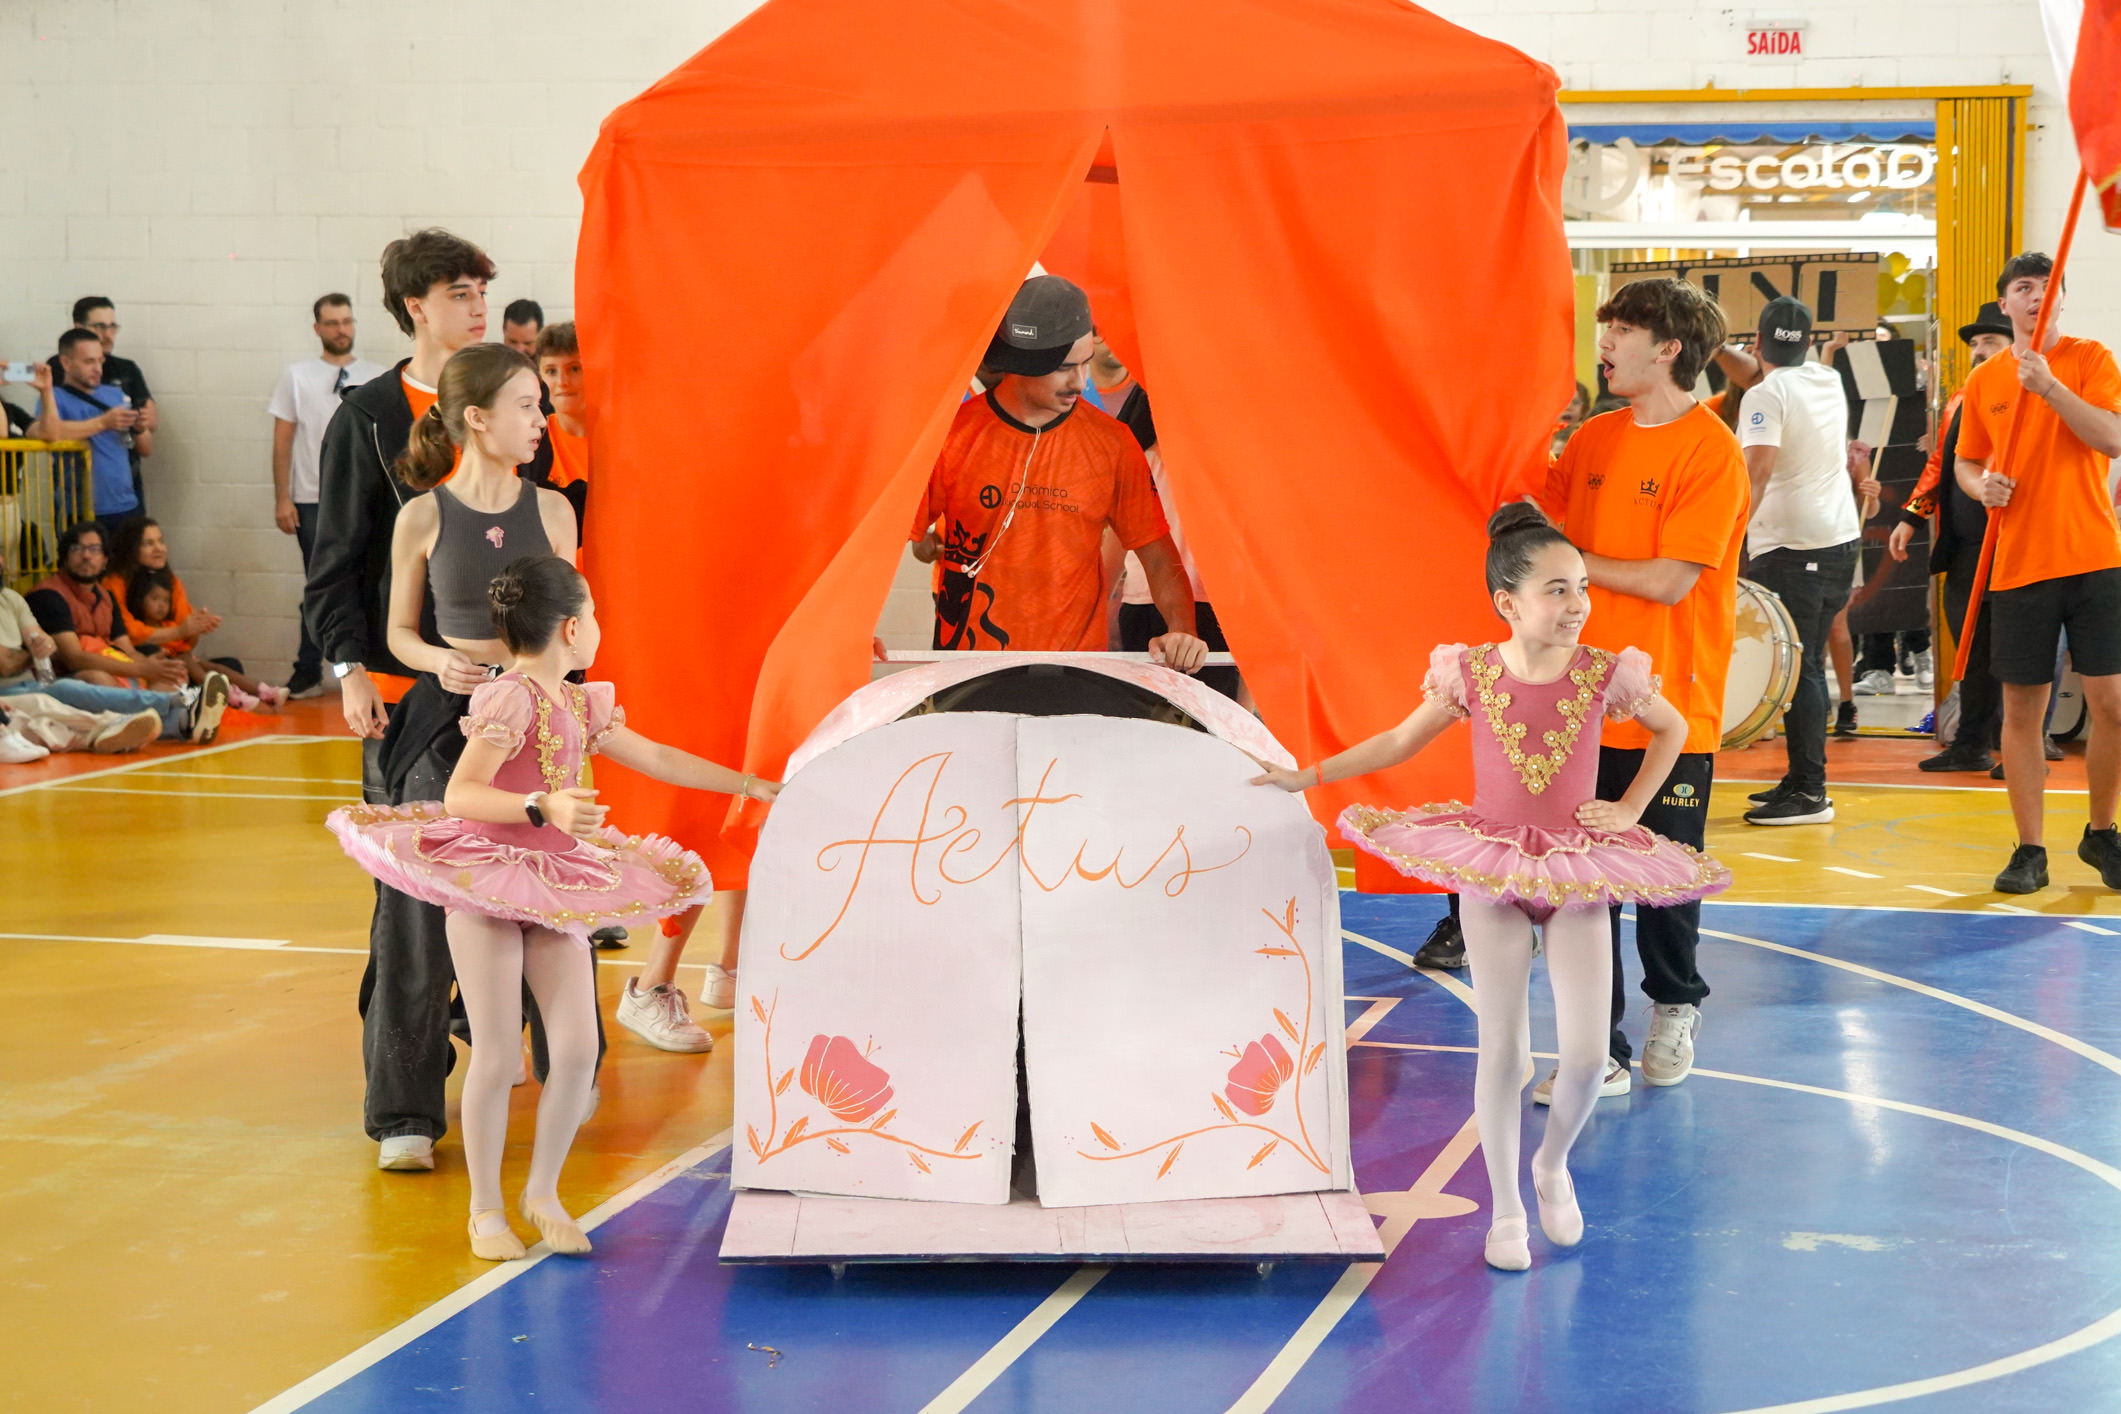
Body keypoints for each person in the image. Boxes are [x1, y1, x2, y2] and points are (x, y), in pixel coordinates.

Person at [1255, 505, 1727, 1270]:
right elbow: (1397, 741)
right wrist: (1303, 776)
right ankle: (1506, 1210)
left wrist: (1630, 808)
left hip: (1574, 871)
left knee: (1584, 1059)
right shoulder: (1470, 672)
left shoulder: (1605, 672)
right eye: (1556, 589)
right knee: (1502, 1053)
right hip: (1492, 870)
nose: (1576, 604)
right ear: (1508, 602)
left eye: (1581, 587)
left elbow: (1673, 730)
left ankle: (1550, 1167)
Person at [325, 554, 777, 1259]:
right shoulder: (507, 699)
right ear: (571, 627)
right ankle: (485, 1210)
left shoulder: (579, 702)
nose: (597, 626)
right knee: (497, 1050)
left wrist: (748, 784)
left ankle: (542, 1193)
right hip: (487, 886)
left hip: (554, 884)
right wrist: (543, 805)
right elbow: (462, 794)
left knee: (574, 1049)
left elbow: (657, 756)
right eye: (593, 614)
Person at [1540, 276, 1748, 1100]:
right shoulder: (1592, 438)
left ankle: (1675, 1002)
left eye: (1620, 330)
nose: (1604, 343)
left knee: (1663, 880)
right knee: (1582, 885)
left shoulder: (1710, 450)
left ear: (1667, 348)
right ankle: (1599, 1047)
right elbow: (1538, 523)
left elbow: (1667, 581)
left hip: (1668, 702)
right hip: (1576, 696)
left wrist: (1569, 563)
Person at [909, 275, 1207, 670]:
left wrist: (1183, 631)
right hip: (966, 666)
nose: (1080, 382)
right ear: (1021, 362)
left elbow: (1157, 557)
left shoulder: (1113, 444)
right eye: (1065, 368)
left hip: (1075, 668)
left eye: (1085, 363)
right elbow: (875, 550)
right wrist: (853, 628)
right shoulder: (951, 437)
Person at [1954, 252, 2121, 893]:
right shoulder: (1986, 380)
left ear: (2061, 299)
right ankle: (2030, 849)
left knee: (2112, 705)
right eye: (2023, 287)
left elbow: (2111, 438)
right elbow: (1967, 460)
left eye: (2048, 287)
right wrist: (1982, 486)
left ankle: (2101, 832)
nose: (2036, 296)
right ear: (2006, 304)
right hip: (2020, 564)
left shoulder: (2090, 358)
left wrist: (2049, 387)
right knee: (2022, 712)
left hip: (2094, 557)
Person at [1735, 297, 1866, 826]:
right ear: (1808, 343)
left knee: (1803, 667)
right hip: (1838, 539)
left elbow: (1758, 471)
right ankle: (1800, 776)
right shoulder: (1826, 379)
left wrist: (1728, 539)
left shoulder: (1765, 394)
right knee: (1802, 664)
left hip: (1793, 546)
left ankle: (1811, 791)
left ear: (1757, 343)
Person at [1893, 302, 2015, 774]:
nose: (1979, 351)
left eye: (1990, 342)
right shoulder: (1963, 399)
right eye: (1975, 344)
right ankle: (1971, 744)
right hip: (1965, 547)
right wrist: (1911, 516)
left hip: (2016, 542)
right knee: (1972, 646)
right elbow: (1941, 463)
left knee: (2019, 648)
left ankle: (2023, 746)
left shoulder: (2031, 395)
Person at [270, 294, 387, 698]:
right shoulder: (297, 376)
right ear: (317, 328)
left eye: (347, 321)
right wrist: (283, 498)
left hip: (364, 498)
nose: (341, 329)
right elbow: (282, 441)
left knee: (369, 583)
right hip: (311, 499)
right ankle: (309, 669)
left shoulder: (377, 375)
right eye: (333, 323)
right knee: (321, 585)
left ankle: (369, 669)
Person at [20, 521, 228, 743]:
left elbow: (127, 649)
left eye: (94, 550)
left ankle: (181, 720)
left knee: (170, 676)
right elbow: (75, 659)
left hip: (115, 670)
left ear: (105, 560)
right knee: (97, 677)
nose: (86, 556)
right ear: (65, 556)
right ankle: (182, 713)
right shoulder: (48, 595)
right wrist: (140, 668)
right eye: (77, 549)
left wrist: (154, 666)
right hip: (64, 683)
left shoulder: (106, 597)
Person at [31, 334, 147, 540]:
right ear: (66, 363)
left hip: (126, 503)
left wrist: (139, 427)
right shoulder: (54, 398)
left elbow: (147, 448)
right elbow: (50, 432)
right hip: (80, 508)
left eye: (100, 361)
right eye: (89, 361)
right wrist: (103, 423)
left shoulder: (115, 394)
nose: (97, 369)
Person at [46, 297, 157, 510]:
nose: (108, 335)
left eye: (112, 327)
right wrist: (103, 422)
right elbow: (44, 429)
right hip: (77, 490)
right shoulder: (56, 372)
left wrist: (140, 423)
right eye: (99, 327)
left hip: (125, 483)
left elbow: (150, 423)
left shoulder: (126, 371)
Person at [534, 322, 589, 528]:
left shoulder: (621, 440)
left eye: (574, 369)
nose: (562, 381)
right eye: (551, 371)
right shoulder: (531, 440)